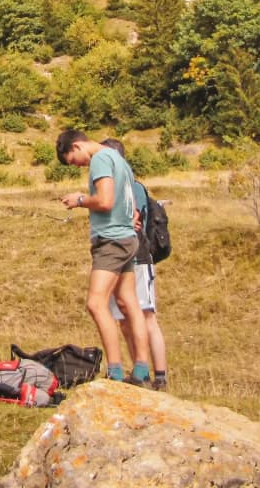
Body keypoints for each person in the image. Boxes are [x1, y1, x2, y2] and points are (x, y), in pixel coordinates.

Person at [56, 129, 151, 386]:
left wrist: (80, 200)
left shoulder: (99, 159)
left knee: (96, 304)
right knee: (128, 302)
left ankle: (115, 371)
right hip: (128, 238)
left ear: (76, 146)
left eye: (74, 161)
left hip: (110, 241)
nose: (79, 165)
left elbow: (106, 201)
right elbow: (127, 199)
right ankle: (141, 369)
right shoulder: (119, 159)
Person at [102, 138, 169, 392]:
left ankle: (159, 376)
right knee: (124, 318)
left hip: (138, 258)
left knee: (146, 315)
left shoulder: (132, 186)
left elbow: (135, 220)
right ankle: (140, 372)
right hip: (119, 259)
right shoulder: (115, 185)